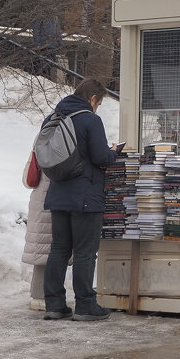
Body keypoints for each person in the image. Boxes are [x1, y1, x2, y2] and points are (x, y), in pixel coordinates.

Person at [42, 79, 119, 322]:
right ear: (94, 98)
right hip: (86, 196)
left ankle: (54, 305)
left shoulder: (53, 118)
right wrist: (114, 152)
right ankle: (85, 305)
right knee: (85, 252)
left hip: (57, 195)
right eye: (99, 103)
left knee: (59, 249)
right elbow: (100, 156)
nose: (98, 108)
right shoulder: (90, 119)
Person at [21, 147, 53, 311]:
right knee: (48, 248)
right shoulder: (62, 133)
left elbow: (27, 179)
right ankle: (43, 296)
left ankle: (38, 296)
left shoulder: (42, 135)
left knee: (42, 249)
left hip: (39, 197)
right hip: (51, 197)